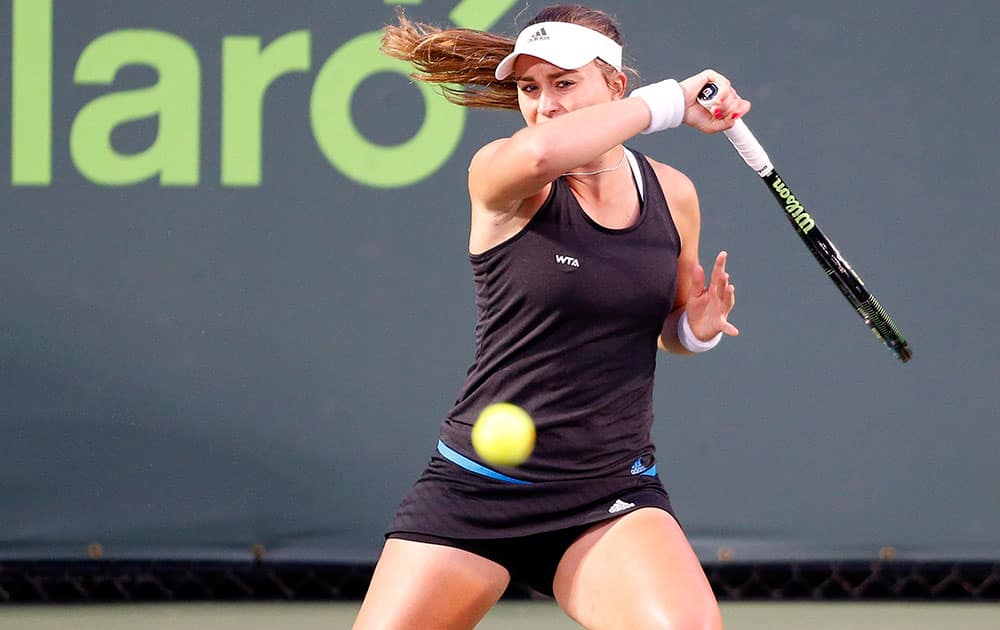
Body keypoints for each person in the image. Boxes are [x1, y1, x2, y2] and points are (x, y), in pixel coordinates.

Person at [354, 5, 748, 629]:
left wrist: (694, 332)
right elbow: (541, 154)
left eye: (565, 83)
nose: (546, 104)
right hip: (474, 486)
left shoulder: (673, 194)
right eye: (529, 88)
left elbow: (666, 328)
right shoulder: (504, 174)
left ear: (614, 86)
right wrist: (671, 100)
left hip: (607, 491)